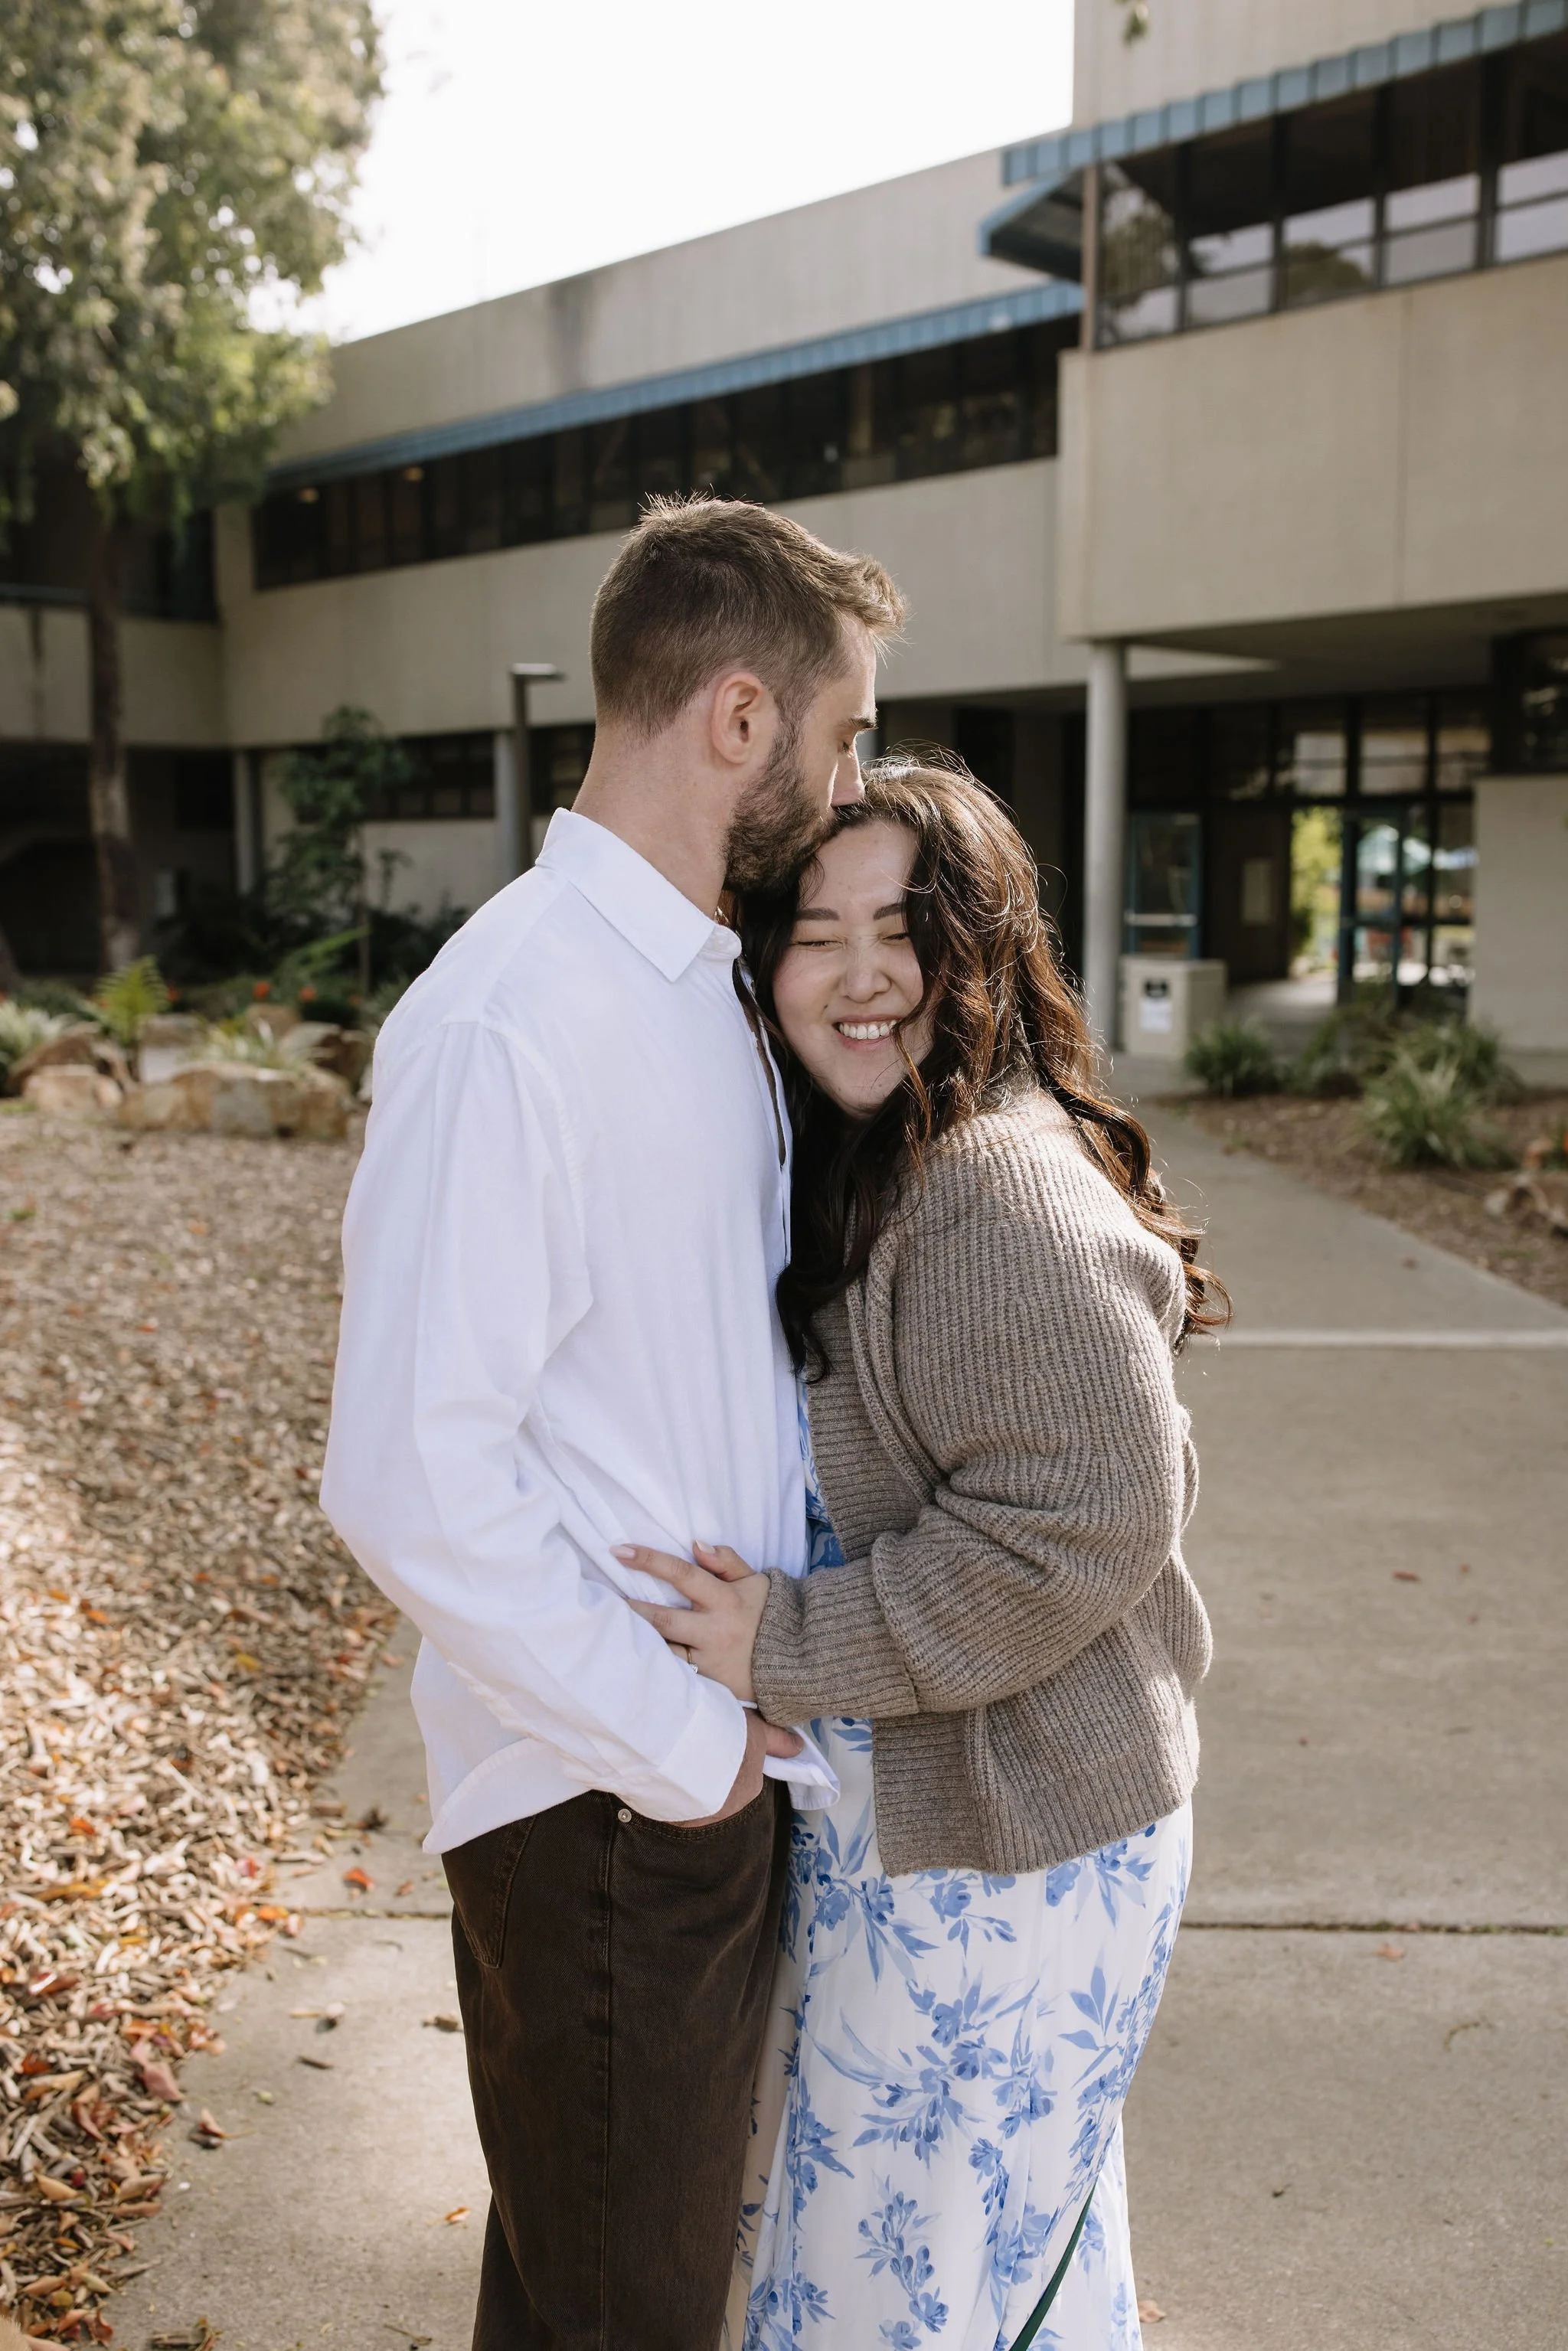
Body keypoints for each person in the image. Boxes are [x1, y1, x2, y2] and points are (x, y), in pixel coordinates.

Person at [319, 496, 907, 2351]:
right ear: (739, 717)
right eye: (842, 731)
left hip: (687, 1778)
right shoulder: (508, 1015)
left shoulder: (693, 990)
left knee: (592, 2295)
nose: (848, 772)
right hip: (601, 1798)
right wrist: (681, 1745)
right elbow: (409, 1472)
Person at [618, 758, 1225, 2350]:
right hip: (959, 1838)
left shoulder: (991, 1192)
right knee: (988, 2259)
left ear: (986, 947)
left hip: (1015, 1853)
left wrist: (787, 1643)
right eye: (815, 934)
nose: (863, 972)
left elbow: (1081, 1519)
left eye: (906, 926)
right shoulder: (882, 1163)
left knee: (891, 2288)